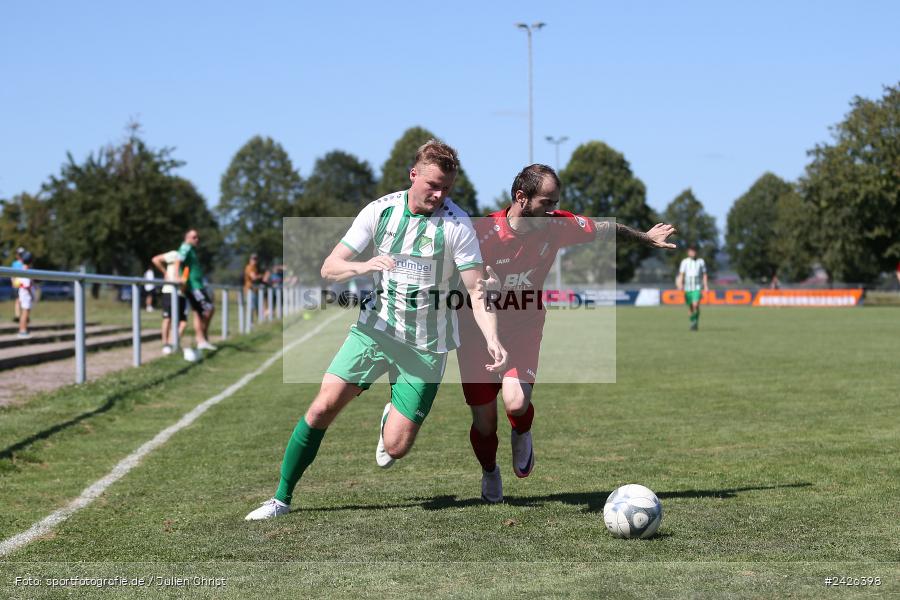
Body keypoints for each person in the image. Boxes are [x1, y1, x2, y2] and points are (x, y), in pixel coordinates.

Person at [245, 139, 508, 520]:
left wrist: (492, 338)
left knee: (397, 448)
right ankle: (280, 499)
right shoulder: (380, 211)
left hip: (426, 346)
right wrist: (362, 266)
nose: (439, 194)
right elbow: (330, 267)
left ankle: (390, 418)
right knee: (321, 408)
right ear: (413, 175)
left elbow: (476, 290)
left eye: (446, 188)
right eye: (432, 185)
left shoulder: (457, 224)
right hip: (375, 332)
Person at [455, 164, 676, 503]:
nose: (553, 209)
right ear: (521, 198)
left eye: (556, 201)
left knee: (515, 402)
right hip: (476, 331)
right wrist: (480, 284)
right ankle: (489, 471)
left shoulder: (556, 225)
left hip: (524, 326)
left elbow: (606, 229)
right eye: (547, 202)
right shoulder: (481, 231)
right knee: (484, 422)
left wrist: (645, 237)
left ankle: (522, 430)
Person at [178, 229, 217, 351]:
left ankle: (201, 340)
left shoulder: (192, 250)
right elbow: (178, 261)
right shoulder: (185, 247)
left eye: (197, 237)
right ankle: (202, 335)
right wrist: (178, 277)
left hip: (198, 285)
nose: (197, 239)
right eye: (194, 237)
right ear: (187, 238)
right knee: (209, 309)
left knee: (198, 313)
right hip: (193, 286)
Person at [152, 249, 188, 355]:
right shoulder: (175, 254)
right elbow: (155, 259)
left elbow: (186, 281)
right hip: (169, 291)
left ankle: (174, 343)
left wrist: (183, 283)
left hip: (181, 294)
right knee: (168, 318)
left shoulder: (188, 263)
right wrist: (165, 272)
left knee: (183, 322)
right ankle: (166, 343)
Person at [676, 245, 709, 331]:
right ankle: (693, 323)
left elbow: (704, 274)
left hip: (697, 287)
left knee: (696, 304)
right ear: (688, 252)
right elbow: (681, 274)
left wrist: (705, 286)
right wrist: (680, 284)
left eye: (694, 251)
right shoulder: (685, 262)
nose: (693, 252)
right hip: (687, 288)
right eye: (691, 251)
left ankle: (695, 323)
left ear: (696, 252)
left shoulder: (701, 261)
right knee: (691, 307)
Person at [16, 251, 34, 338]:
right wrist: (32, 295)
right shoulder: (26, 270)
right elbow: (27, 286)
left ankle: (23, 329)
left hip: (23, 293)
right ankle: (22, 331)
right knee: (25, 313)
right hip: (26, 294)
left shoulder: (22, 269)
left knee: (24, 313)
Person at [243, 253, 263, 318]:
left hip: (255, 290)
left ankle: (256, 320)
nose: (255, 261)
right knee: (251, 306)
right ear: (250, 260)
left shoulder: (255, 268)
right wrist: (261, 276)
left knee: (256, 306)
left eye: (256, 259)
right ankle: (250, 322)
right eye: (253, 259)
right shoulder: (249, 267)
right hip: (249, 289)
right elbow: (253, 277)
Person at [10, 246, 25, 323]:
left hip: (24, 284)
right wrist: (12, 282)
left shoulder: (25, 263)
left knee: (23, 300)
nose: (20, 255)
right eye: (19, 254)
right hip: (17, 284)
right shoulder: (14, 263)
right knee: (18, 300)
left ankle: (24, 316)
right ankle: (17, 315)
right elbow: (12, 274)